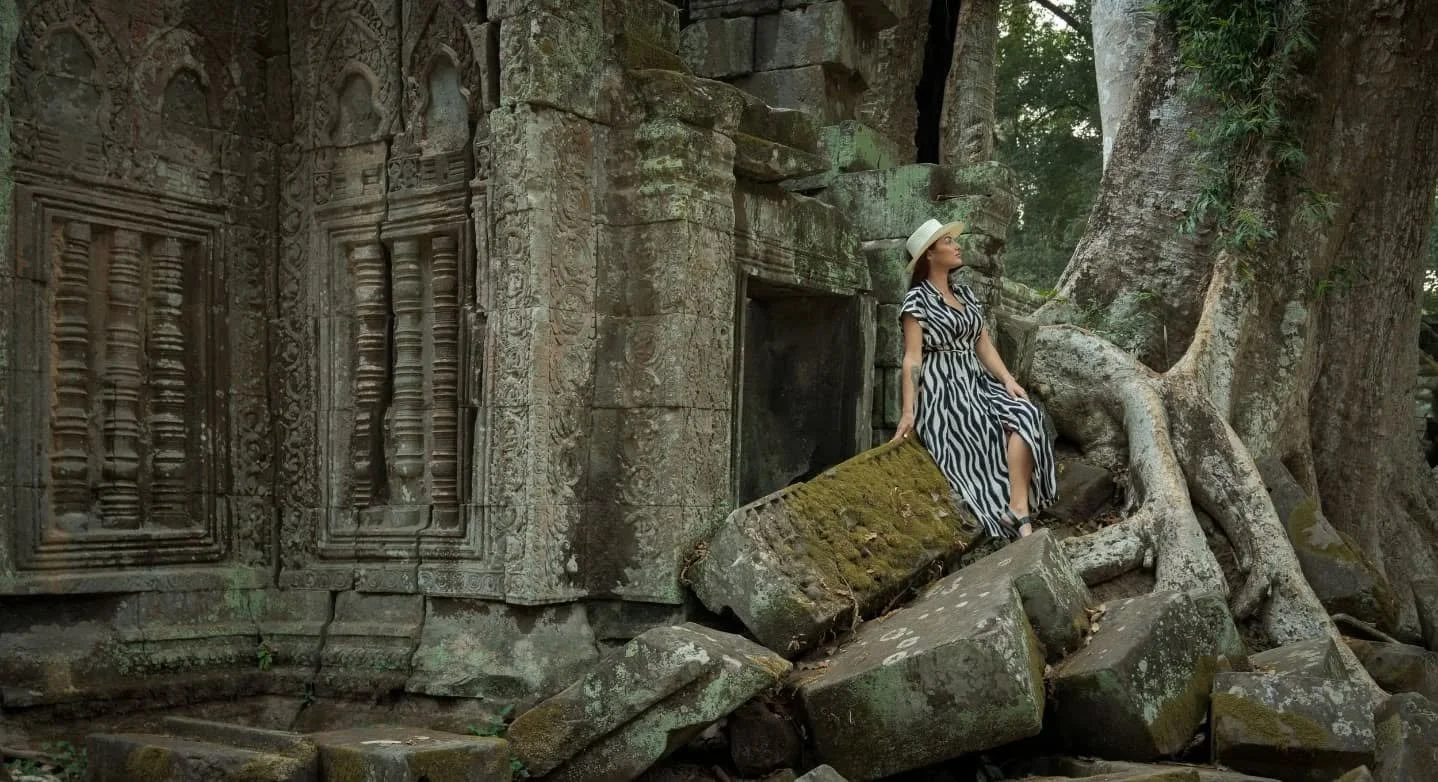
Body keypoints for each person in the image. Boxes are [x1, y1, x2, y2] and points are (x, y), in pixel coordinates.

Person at [891, 218, 1057, 540]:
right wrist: (909, 412)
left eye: (954, 241)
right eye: (948, 242)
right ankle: (1015, 516)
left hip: (976, 381)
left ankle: (1018, 508)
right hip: (944, 390)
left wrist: (1007, 379)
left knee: (1026, 413)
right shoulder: (916, 302)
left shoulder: (964, 293)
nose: (957, 246)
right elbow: (912, 358)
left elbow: (982, 343)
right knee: (985, 429)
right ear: (929, 254)